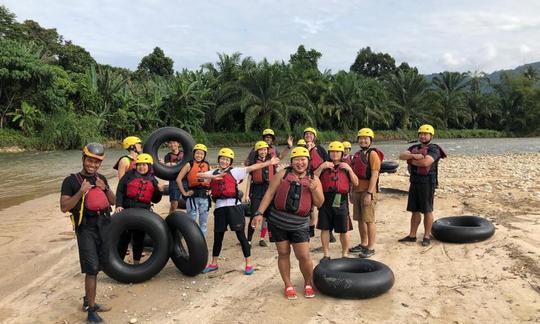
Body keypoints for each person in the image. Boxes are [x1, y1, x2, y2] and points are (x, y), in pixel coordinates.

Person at [252, 147, 324, 300]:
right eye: (296, 159)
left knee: (304, 256)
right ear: (291, 161)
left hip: (300, 224)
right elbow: (269, 194)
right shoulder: (282, 174)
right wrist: (259, 213)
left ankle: (308, 283)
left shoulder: (314, 179)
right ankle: (288, 284)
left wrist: (314, 190)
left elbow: (319, 203)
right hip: (278, 222)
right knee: (283, 254)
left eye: (303, 159)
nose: (300, 162)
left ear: (308, 161)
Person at [200, 148, 280, 275]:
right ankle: (214, 263)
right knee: (218, 237)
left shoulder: (235, 172)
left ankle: (248, 264)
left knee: (241, 236)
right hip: (220, 209)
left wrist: (269, 163)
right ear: (219, 160)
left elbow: (253, 167)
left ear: (230, 162)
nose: (224, 161)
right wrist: (213, 176)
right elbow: (199, 175)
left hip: (234, 207)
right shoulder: (213, 172)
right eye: (222, 159)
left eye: (227, 160)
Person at [60, 143, 115, 323]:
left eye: (96, 162)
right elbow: (64, 207)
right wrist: (80, 192)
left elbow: (113, 201)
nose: (92, 165)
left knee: (98, 265)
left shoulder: (102, 178)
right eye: (90, 160)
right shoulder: (71, 181)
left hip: (103, 225)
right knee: (91, 268)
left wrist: (104, 188)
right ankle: (91, 311)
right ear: (83, 159)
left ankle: (87, 301)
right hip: (86, 228)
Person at [398, 124, 447, 246]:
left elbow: (426, 163)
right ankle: (412, 235)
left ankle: (426, 236)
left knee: (427, 210)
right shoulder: (414, 147)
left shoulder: (434, 149)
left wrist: (410, 160)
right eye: (421, 134)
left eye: (426, 134)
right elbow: (401, 156)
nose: (423, 136)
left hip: (427, 182)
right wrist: (414, 156)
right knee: (414, 210)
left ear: (431, 135)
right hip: (414, 180)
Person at [115, 153, 163, 264]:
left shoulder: (153, 180)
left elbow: (156, 200)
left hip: (143, 212)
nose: (142, 167)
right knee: (124, 238)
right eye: (139, 165)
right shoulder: (129, 175)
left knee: (139, 239)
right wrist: (119, 205)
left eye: (144, 165)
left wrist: (159, 191)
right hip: (127, 210)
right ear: (136, 165)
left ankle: (136, 262)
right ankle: (119, 263)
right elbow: (120, 191)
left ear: (149, 166)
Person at [314, 141, 358, 260]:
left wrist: (349, 169)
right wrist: (321, 167)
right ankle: (326, 254)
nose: (335, 154)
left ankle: (345, 254)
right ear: (329, 153)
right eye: (332, 151)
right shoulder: (324, 166)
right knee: (325, 228)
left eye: (337, 151)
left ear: (342, 153)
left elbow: (356, 182)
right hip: (325, 199)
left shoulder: (346, 166)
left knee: (344, 229)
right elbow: (312, 179)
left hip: (341, 200)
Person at [348, 128, 382, 258]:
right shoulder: (357, 154)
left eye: (366, 139)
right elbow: (353, 174)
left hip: (368, 191)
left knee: (369, 220)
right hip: (357, 190)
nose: (363, 140)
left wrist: (369, 193)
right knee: (360, 219)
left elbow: (374, 175)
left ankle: (371, 246)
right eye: (361, 138)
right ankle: (363, 243)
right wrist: (351, 191)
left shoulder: (372, 154)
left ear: (370, 140)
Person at [244, 141, 277, 247]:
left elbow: (276, 178)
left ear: (267, 150)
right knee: (254, 215)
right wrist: (246, 194)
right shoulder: (253, 163)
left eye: (265, 150)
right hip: (257, 190)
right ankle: (248, 240)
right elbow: (249, 179)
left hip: (269, 189)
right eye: (261, 150)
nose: (263, 152)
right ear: (257, 151)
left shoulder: (272, 162)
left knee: (267, 217)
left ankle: (262, 238)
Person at [303, 127, 333, 242]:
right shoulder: (301, 149)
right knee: (308, 207)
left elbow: (328, 163)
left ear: (314, 137)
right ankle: (309, 230)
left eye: (311, 134)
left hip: (321, 182)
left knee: (323, 207)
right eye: (306, 134)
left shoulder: (320, 149)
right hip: (306, 181)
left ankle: (328, 232)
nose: (308, 136)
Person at [176, 144, 211, 235]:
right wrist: (184, 193)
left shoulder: (207, 165)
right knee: (191, 222)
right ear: (194, 154)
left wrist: (210, 190)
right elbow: (178, 179)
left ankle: (201, 243)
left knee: (203, 223)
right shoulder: (189, 164)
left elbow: (211, 179)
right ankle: (192, 241)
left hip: (204, 197)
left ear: (204, 155)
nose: (199, 155)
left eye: (201, 154)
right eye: (197, 153)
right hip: (192, 197)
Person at [163, 140, 184, 213]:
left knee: (190, 202)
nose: (172, 144)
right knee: (174, 203)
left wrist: (173, 164)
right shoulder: (168, 156)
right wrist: (179, 164)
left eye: (174, 142)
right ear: (168, 145)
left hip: (185, 179)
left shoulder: (184, 153)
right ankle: (170, 218)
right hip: (174, 180)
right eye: (170, 143)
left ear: (178, 144)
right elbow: (167, 165)